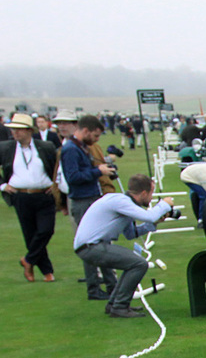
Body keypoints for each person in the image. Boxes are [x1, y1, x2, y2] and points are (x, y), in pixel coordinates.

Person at [73, 173, 178, 318]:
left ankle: (114, 304)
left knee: (133, 264)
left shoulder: (123, 203)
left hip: (90, 246)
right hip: (91, 247)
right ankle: (120, 306)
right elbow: (150, 216)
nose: (151, 197)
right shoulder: (121, 201)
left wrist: (153, 224)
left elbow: (130, 233)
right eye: (151, 193)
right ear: (143, 193)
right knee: (139, 264)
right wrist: (165, 203)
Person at [61, 114, 119, 299]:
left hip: (92, 198)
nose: (96, 140)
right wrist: (98, 171)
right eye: (95, 136)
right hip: (82, 201)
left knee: (103, 243)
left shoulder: (80, 147)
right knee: (90, 247)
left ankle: (112, 286)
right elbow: (73, 177)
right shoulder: (70, 149)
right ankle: (94, 289)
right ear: (85, 130)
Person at [1, 112, 59, 281]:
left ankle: (28, 260)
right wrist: (3, 186)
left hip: (44, 195)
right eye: (13, 130)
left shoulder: (46, 146)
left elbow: (56, 167)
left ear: (29, 131)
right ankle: (46, 271)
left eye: (19, 129)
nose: (15, 133)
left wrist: (54, 184)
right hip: (21, 196)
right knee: (30, 234)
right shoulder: (6, 148)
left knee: (46, 230)